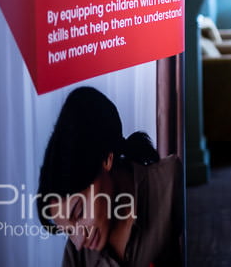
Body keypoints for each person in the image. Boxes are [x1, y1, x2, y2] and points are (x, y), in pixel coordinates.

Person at [36, 86, 183, 267]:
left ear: (106, 159)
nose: (79, 240)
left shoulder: (171, 182)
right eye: (68, 231)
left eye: (79, 212)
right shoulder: (78, 256)